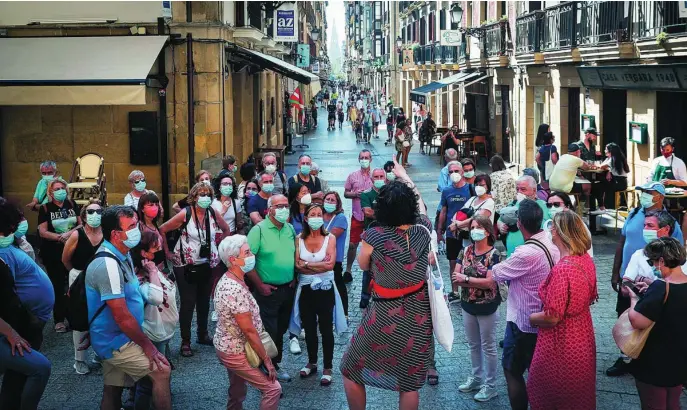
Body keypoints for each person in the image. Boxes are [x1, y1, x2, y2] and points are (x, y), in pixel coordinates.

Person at [340, 159, 434, 410]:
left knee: (351, 368)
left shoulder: (373, 236)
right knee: (409, 382)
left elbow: (362, 265)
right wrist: (405, 177)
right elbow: (421, 205)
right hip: (418, 312)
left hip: (384, 312)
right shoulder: (423, 228)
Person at [459, 199, 560, 410]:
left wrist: (466, 277)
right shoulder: (550, 243)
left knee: (512, 370)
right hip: (542, 314)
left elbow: (496, 273)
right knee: (537, 369)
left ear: (520, 223)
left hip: (523, 320)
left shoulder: (525, 253)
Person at [83, 206, 171, 410]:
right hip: (117, 341)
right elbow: (122, 316)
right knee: (161, 371)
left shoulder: (123, 254)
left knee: (113, 387)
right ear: (115, 234)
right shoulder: (108, 264)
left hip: (115, 337)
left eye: (137, 224)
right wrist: (148, 347)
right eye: (131, 226)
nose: (137, 230)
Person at [607, 182, 684, 377]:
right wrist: (616, 272)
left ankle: (648, 356)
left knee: (652, 323)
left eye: (648, 193)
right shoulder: (634, 214)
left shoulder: (670, 222)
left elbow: (679, 255)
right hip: (629, 277)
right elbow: (621, 243)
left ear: (659, 196)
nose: (643, 196)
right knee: (625, 317)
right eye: (643, 193)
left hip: (657, 284)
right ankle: (626, 355)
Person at [527, 210, 597, 410]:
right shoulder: (585, 259)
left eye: (554, 228)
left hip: (562, 342)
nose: (551, 231)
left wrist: (531, 318)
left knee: (551, 392)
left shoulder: (563, 269)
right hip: (582, 334)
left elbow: (552, 317)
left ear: (563, 233)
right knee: (578, 394)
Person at [159, 182, 230, 357]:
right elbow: (162, 229)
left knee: (205, 300)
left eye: (207, 194)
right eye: (201, 194)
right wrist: (167, 253)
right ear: (194, 197)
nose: (204, 197)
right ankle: (185, 340)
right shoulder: (186, 213)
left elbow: (226, 229)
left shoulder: (212, 213)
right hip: (185, 263)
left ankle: (203, 334)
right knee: (188, 302)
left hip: (207, 262)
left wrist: (218, 247)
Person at [214, 235, 281, 410]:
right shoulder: (234, 289)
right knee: (273, 389)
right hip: (236, 350)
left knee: (237, 388)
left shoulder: (232, 279)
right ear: (233, 260)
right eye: (247, 252)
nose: (252, 255)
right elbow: (249, 331)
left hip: (229, 346)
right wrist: (267, 361)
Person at [0, 198, 53, 410]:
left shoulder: (10, 246)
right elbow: (7, 292)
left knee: (19, 374)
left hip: (26, 320)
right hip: (20, 322)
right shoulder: (2, 254)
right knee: (32, 369)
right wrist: (10, 331)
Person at [625, 237, 687, 409]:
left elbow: (637, 320)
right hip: (680, 359)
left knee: (653, 404)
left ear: (661, 260)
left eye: (652, 262)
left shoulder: (660, 288)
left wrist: (634, 299)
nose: (653, 267)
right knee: (673, 404)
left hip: (655, 360)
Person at [290, 203, 346, 386]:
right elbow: (297, 265)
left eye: (319, 214)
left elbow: (330, 266)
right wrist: (314, 266)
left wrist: (306, 265)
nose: (316, 217)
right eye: (312, 214)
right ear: (306, 218)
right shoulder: (299, 239)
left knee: (325, 328)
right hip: (306, 290)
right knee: (309, 327)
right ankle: (312, 361)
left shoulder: (329, 238)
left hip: (325, 289)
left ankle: (327, 366)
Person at [450, 215, 501, 402]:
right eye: (472, 227)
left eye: (478, 227)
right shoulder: (465, 251)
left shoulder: (494, 254)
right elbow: (455, 275)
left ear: (487, 231)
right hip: (467, 304)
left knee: (488, 345)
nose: (474, 230)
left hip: (487, 305)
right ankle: (477, 377)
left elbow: (489, 283)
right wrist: (467, 281)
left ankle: (491, 385)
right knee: (473, 344)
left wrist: (466, 280)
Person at [246, 195, 297, 383]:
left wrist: (294, 277)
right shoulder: (258, 231)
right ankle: (267, 367)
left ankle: (274, 363)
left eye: (286, 205)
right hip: (267, 290)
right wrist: (259, 285)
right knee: (269, 330)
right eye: (279, 206)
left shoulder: (290, 229)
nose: (284, 209)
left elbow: (295, 255)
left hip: (287, 289)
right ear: (269, 210)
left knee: (281, 328)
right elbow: (247, 261)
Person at [130, 230, 178, 410]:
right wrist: (152, 271)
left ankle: (162, 396)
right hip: (152, 333)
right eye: (155, 246)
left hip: (163, 331)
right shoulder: (140, 277)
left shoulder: (153, 268)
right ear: (143, 253)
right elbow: (156, 298)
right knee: (148, 381)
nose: (159, 248)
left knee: (158, 374)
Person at [61, 200, 104, 375]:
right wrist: (76, 275)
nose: (95, 216)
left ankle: (100, 354)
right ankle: (79, 360)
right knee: (80, 319)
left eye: (99, 212)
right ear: (84, 216)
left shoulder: (107, 233)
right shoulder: (77, 235)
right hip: (79, 277)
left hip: (101, 279)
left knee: (101, 317)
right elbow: (65, 259)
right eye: (91, 212)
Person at [38, 178, 81, 332]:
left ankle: (75, 317)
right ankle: (59, 319)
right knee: (57, 285)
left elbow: (81, 223)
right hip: (53, 252)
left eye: (62, 188)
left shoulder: (72, 204)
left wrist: (68, 234)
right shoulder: (45, 208)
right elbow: (42, 232)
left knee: (74, 283)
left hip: (73, 248)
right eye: (56, 189)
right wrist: (59, 237)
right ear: (50, 192)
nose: (60, 191)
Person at [438, 161, 472, 302]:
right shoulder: (446, 191)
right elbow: (443, 211)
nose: (454, 174)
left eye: (456, 171)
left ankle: (469, 290)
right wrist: (439, 231)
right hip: (451, 232)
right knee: (453, 262)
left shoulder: (471, 189)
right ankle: (454, 291)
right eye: (451, 172)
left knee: (469, 261)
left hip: (468, 233)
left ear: (462, 172)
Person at [497, 176, 551, 257]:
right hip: (511, 254)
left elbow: (545, 225)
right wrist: (501, 225)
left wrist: (525, 205)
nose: (519, 192)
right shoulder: (513, 203)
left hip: (531, 254)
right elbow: (500, 219)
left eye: (523, 189)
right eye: (517, 189)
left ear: (534, 190)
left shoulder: (542, 205)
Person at [343, 150, 374, 283]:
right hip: (357, 215)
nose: (364, 160)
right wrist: (355, 194)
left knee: (374, 245)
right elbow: (345, 193)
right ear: (358, 159)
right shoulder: (353, 176)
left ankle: (373, 270)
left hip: (373, 217)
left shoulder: (376, 176)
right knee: (352, 244)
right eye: (362, 157)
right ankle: (348, 269)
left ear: (371, 159)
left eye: (366, 157)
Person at [323, 191, 349, 318]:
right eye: (327, 199)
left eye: (332, 200)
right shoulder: (319, 216)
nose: (329, 202)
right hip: (318, 258)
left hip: (334, 259)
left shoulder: (340, 218)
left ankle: (344, 313)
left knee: (338, 284)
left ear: (338, 204)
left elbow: (330, 236)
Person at [546, 192, 594, 256]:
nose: (552, 208)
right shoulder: (550, 224)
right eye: (549, 205)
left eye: (556, 204)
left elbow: (586, 248)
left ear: (567, 206)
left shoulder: (576, 224)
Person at [453, 175, 495, 248]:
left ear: (488, 186)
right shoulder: (472, 199)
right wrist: (454, 222)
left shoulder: (489, 202)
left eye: (482, 185)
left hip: (482, 239)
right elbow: (459, 212)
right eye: (477, 185)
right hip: (467, 238)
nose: (479, 187)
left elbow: (477, 219)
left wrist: (457, 225)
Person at [597, 142, 630, 212]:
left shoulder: (612, 158)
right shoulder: (620, 157)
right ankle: (607, 206)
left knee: (599, 185)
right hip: (623, 182)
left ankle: (606, 206)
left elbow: (601, 166)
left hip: (618, 183)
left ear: (610, 151)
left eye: (606, 149)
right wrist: (609, 171)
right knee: (604, 184)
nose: (604, 151)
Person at [136, 193, 166, 267]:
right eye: (151, 205)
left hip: (159, 267)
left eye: (156, 204)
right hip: (149, 269)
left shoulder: (154, 223)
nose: (155, 207)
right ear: (142, 209)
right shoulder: (139, 227)